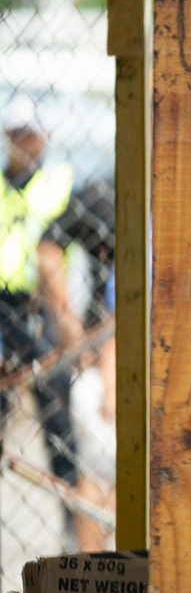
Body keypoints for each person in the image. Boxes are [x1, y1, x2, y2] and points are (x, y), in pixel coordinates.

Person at [0, 96, 84, 484]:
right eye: (17, 134)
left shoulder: (61, 181)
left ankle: (69, 496)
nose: (24, 142)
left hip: (42, 305)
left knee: (56, 407)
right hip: (2, 303)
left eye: (30, 133)